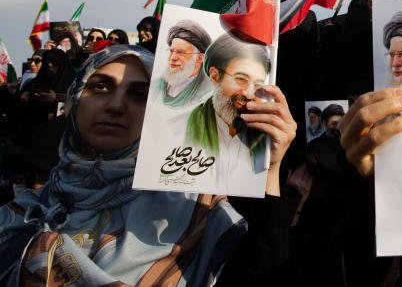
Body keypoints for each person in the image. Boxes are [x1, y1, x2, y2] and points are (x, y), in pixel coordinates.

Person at [0, 44, 296, 285]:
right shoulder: (21, 213)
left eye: (139, 94)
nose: (116, 106)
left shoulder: (197, 213)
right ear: (76, 100)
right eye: (101, 87)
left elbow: (259, 270)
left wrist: (269, 170)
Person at [185, 33, 272, 179]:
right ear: (214, 76)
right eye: (241, 79)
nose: (249, 93)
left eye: (257, 85)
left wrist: (273, 167)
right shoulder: (183, 128)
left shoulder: (262, 135)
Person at [158, 19, 211, 107]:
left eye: (180, 52)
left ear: (199, 58)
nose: (172, 58)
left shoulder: (206, 94)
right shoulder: (158, 85)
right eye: (171, 51)